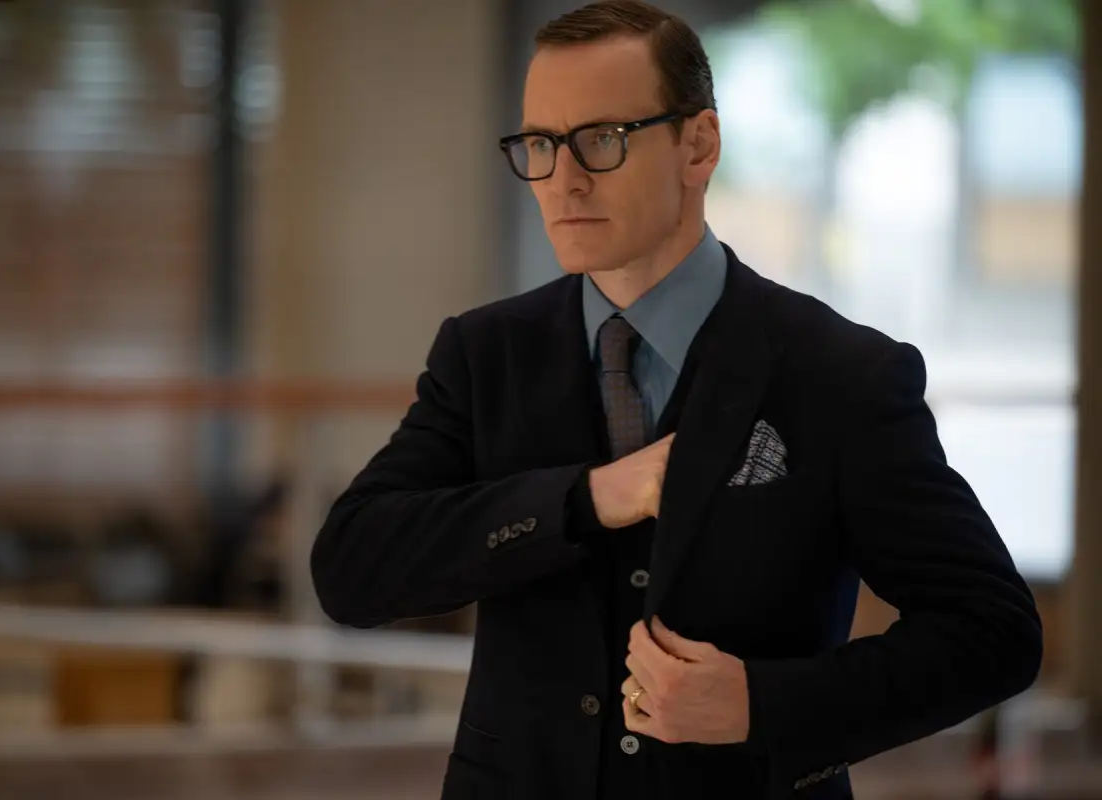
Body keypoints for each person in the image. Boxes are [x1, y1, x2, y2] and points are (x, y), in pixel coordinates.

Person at [309, 1, 1043, 798]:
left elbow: (993, 632)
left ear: (699, 146)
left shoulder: (842, 374)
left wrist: (761, 706)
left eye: (602, 139)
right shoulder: (485, 354)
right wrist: (585, 499)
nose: (564, 180)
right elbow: (352, 569)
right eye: (541, 145)